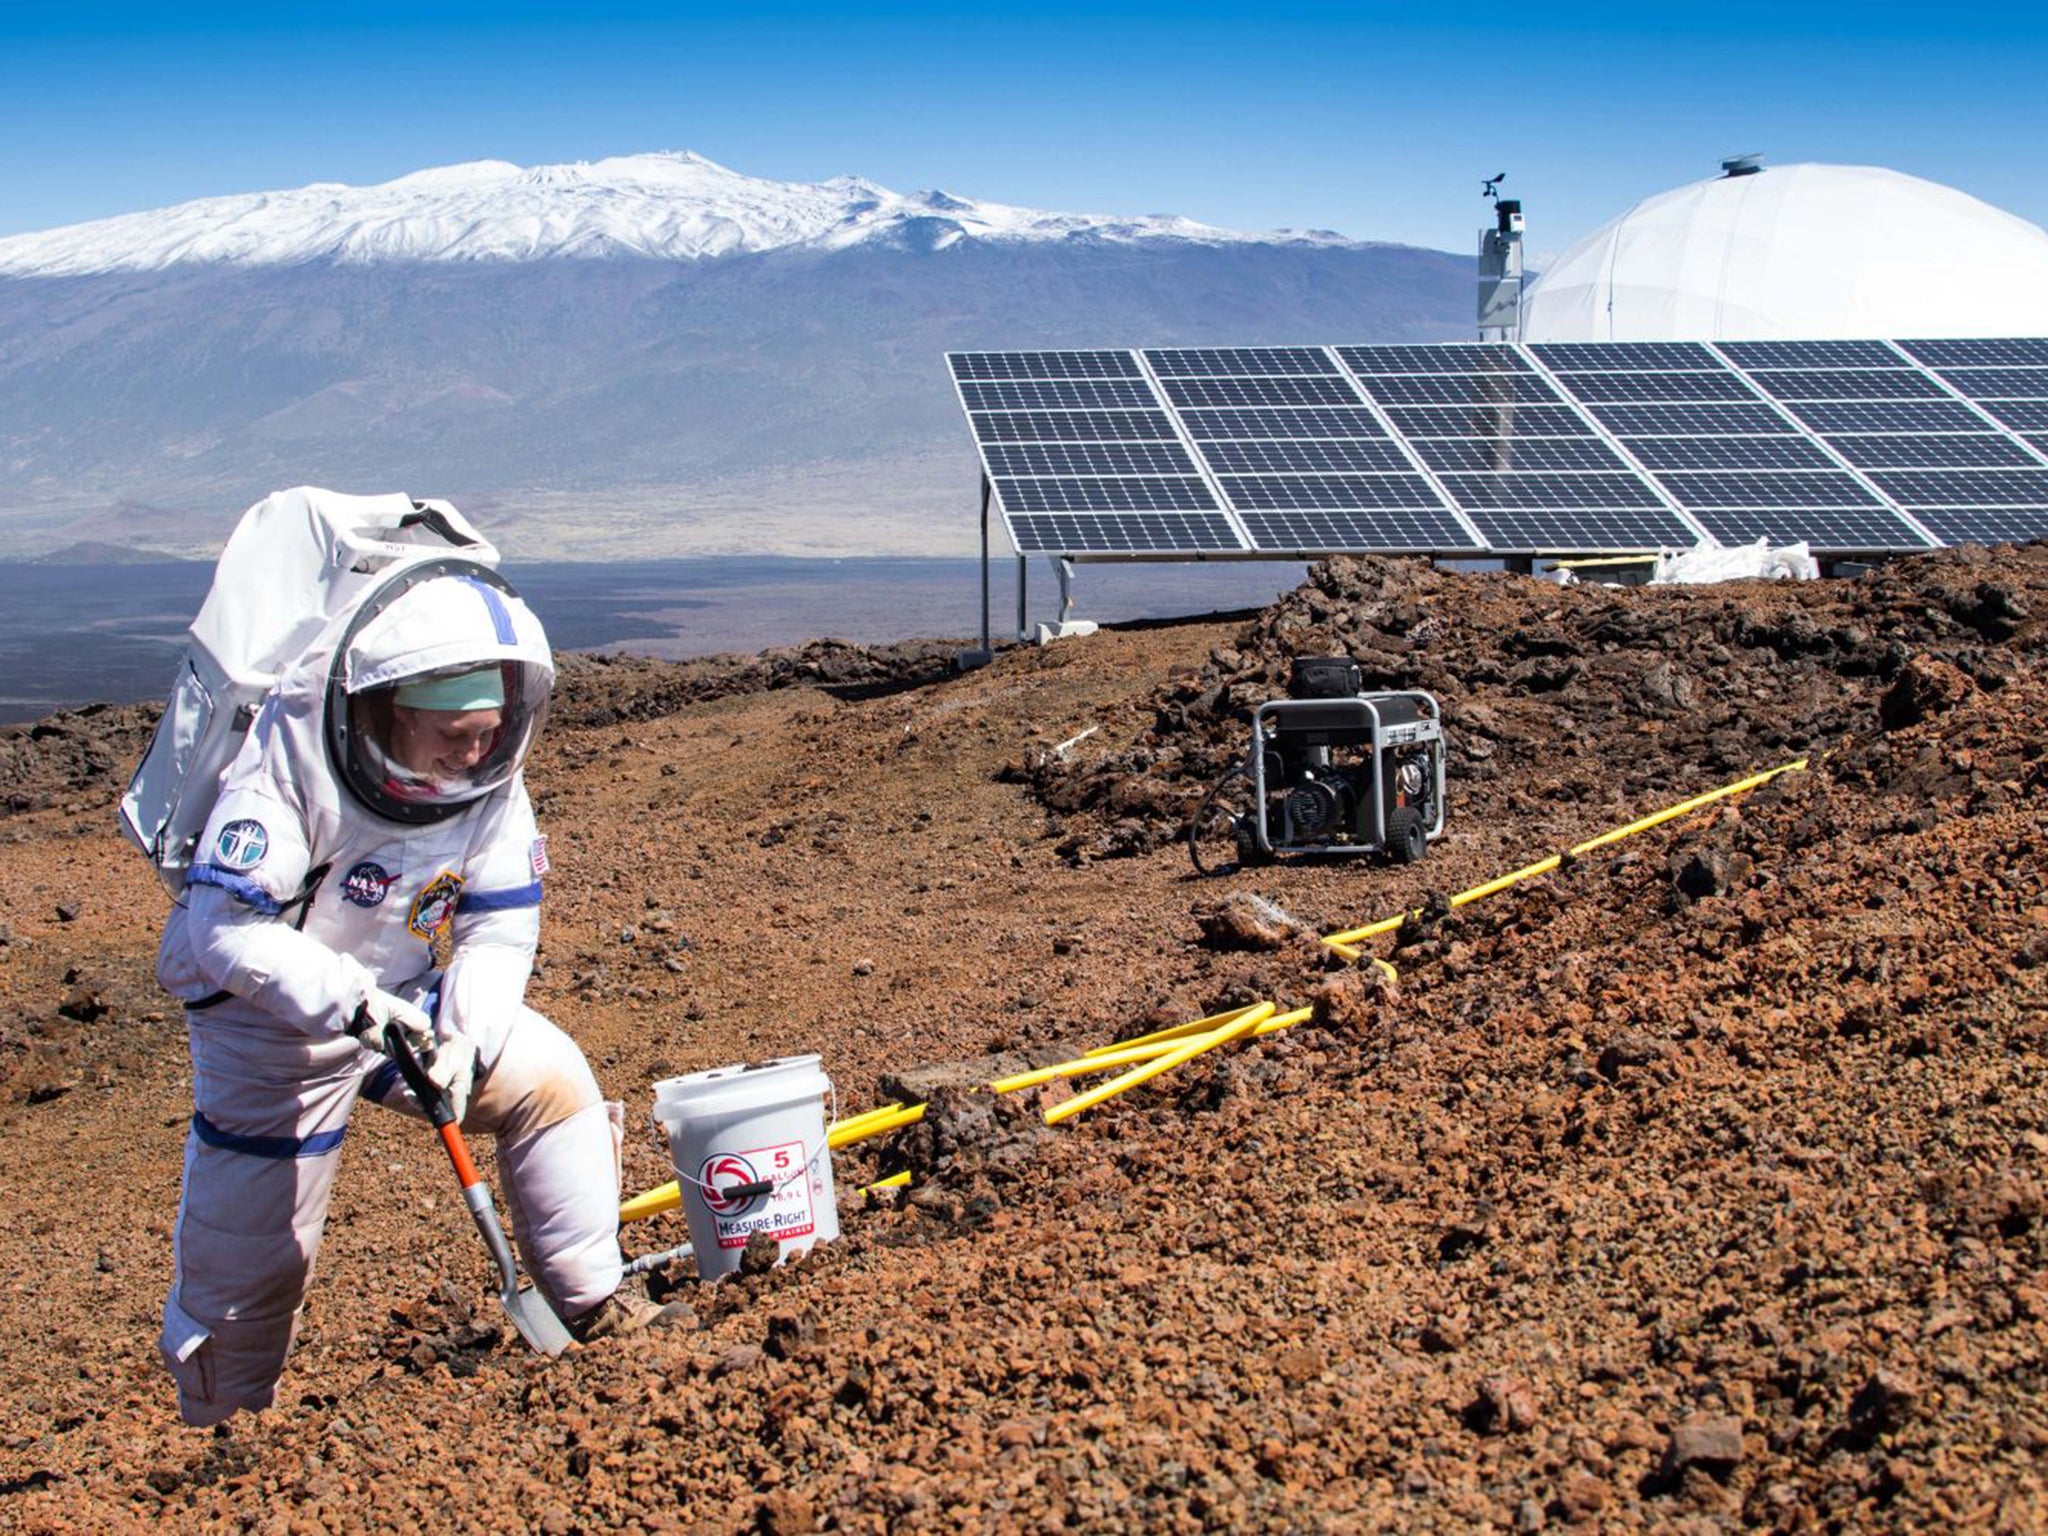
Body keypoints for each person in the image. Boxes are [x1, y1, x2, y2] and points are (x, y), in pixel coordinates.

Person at [154, 569, 677, 1428]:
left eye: (490, 733)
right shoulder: (290, 771)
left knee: (551, 1083)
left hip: (402, 999)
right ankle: (225, 1433)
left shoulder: (488, 790)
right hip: (270, 1024)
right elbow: (225, 931)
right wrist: (355, 1006)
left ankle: (594, 1303)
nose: (473, 754)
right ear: (389, 712)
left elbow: (500, 926)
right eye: (451, 735)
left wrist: (463, 1044)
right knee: (258, 1255)